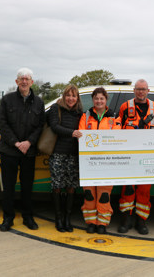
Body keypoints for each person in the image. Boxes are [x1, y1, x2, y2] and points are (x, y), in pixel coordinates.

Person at [0, 68, 45, 232]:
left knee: (27, 187)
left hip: (29, 152)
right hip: (9, 150)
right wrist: (17, 143)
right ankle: (7, 218)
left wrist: (29, 142)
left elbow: (40, 126)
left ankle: (28, 217)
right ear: (16, 82)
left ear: (32, 82)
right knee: (8, 187)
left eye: (27, 79)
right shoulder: (7, 100)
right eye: (21, 79)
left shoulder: (39, 102)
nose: (24, 81)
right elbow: (1, 124)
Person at [117, 79, 154, 235]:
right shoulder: (125, 107)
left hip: (147, 156)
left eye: (143, 89)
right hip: (129, 156)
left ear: (148, 91)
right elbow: (117, 127)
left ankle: (141, 222)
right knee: (127, 188)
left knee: (144, 190)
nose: (141, 92)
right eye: (138, 89)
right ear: (134, 90)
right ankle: (126, 220)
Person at [78, 87, 120, 234]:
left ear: (106, 100)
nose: (99, 101)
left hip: (107, 161)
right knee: (89, 193)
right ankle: (90, 222)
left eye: (102, 98)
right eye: (96, 98)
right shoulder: (86, 115)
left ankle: (102, 223)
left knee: (104, 195)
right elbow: (82, 133)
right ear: (93, 100)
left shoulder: (114, 116)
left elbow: (117, 136)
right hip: (88, 161)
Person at [48, 84, 83, 233]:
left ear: (77, 98)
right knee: (57, 186)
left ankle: (67, 219)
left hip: (74, 155)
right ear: (64, 96)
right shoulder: (56, 108)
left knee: (70, 187)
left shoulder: (80, 112)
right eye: (68, 95)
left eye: (73, 96)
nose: (70, 98)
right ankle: (58, 218)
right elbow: (54, 126)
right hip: (58, 153)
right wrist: (72, 133)